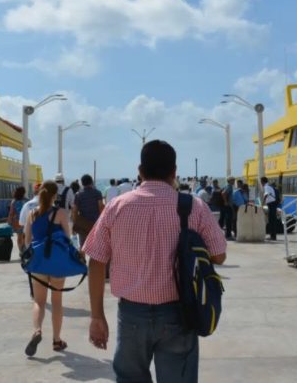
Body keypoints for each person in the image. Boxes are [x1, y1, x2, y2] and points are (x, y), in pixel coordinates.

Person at [83, 140, 227, 382]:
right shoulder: (194, 207)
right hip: (179, 313)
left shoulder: (116, 207)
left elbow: (96, 260)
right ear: (174, 172)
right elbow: (219, 255)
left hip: (131, 314)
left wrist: (97, 316)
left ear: (140, 171)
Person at [23, 181, 72, 356]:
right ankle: (57, 341)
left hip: (38, 263)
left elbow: (28, 240)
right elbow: (68, 237)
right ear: (54, 196)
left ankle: (37, 331)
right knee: (57, 301)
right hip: (57, 263)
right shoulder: (61, 213)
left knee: (39, 302)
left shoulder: (31, 214)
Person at [72, 174, 105, 241]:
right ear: (91, 182)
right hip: (96, 223)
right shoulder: (97, 193)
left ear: (82, 183)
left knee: (83, 246)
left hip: (83, 224)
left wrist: (75, 223)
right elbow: (101, 207)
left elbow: (75, 211)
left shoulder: (78, 195)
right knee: (96, 245)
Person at [261, 176, 279, 241]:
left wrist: (262, 204)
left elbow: (266, 195)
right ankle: (273, 236)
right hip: (272, 204)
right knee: (272, 220)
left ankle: (273, 236)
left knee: (272, 220)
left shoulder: (266, 187)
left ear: (262, 182)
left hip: (272, 205)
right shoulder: (269, 186)